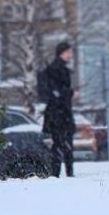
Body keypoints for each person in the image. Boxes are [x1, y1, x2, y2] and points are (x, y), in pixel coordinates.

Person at [36, 42, 76, 178]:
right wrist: (71, 94)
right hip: (60, 113)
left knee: (58, 144)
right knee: (64, 144)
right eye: (69, 52)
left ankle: (57, 173)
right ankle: (66, 173)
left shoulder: (54, 68)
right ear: (63, 52)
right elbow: (58, 91)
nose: (71, 55)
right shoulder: (58, 69)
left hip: (56, 113)